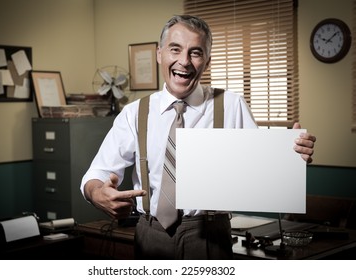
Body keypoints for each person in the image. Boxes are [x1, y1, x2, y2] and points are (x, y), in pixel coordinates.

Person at [80, 15, 316, 259]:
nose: (184, 62)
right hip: (150, 234)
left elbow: (262, 171)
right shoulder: (133, 114)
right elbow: (96, 173)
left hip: (210, 236)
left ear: (207, 61)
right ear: (159, 54)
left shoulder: (232, 106)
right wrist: (97, 193)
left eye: (195, 52)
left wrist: (291, 158)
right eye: (175, 49)